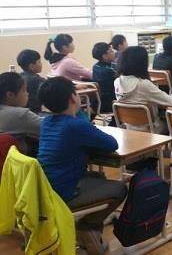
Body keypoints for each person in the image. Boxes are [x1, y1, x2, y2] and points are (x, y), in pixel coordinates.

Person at [36, 76, 126, 254]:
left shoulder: (46, 122)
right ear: (72, 97)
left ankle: (87, 232)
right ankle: (86, 228)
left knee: (97, 177)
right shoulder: (76, 126)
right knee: (120, 188)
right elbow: (111, 144)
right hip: (63, 193)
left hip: (44, 189)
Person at [115, 46, 172, 134]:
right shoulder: (143, 84)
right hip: (152, 129)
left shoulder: (117, 81)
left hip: (129, 128)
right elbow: (171, 102)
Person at [0, 72, 42, 155]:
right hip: (16, 165)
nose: (27, 93)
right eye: (24, 90)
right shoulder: (20, 115)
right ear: (10, 95)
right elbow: (51, 127)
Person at [16, 49, 45, 113]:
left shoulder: (18, 76)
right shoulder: (38, 80)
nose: (41, 64)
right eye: (39, 62)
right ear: (31, 66)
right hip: (34, 112)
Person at [91, 42, 117, 113]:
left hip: (97, 102)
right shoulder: (109, 71)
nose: (114, 52)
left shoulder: (95, 66)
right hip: (109, 103)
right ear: (104, 56)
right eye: (111, 51)